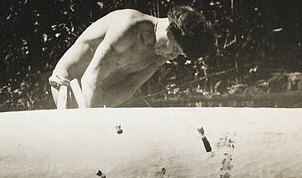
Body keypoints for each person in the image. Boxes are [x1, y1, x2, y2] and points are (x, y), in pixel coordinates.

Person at [49, 6, 215, 108]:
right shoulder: (128, 28)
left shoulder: (159, 54)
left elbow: (130, 86)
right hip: (69, 85)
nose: (172, 56)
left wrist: (104, 111)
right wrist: (95, 126)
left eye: (178, 54)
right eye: (176, 50)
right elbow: (90, 79)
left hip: (99, 92)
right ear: (170, 30)